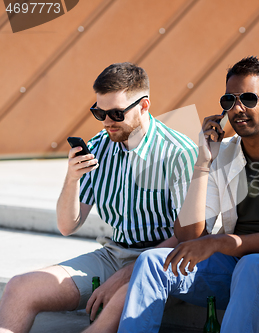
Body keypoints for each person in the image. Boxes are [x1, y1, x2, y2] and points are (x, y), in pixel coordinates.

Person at [106, 56, 259, 333]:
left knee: (253, 264)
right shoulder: (225, 153)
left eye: (248, 98)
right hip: (233, 268)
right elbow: (189, 235)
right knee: (152, 261)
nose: (237, 109)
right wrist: (202, 163)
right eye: (229, 101)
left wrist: (219, 242)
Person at [0, 62, 197, 333]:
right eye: (99, 112)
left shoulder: (179, 153)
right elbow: (67, 226)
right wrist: (71, 178)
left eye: (116, 113)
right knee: (19, 288)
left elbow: (191, 236)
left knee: (109, 315)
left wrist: (127, 274)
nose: (106, 122)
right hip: (112, 254)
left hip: (163, 262)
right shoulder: (99, 147)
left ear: (144, 106)